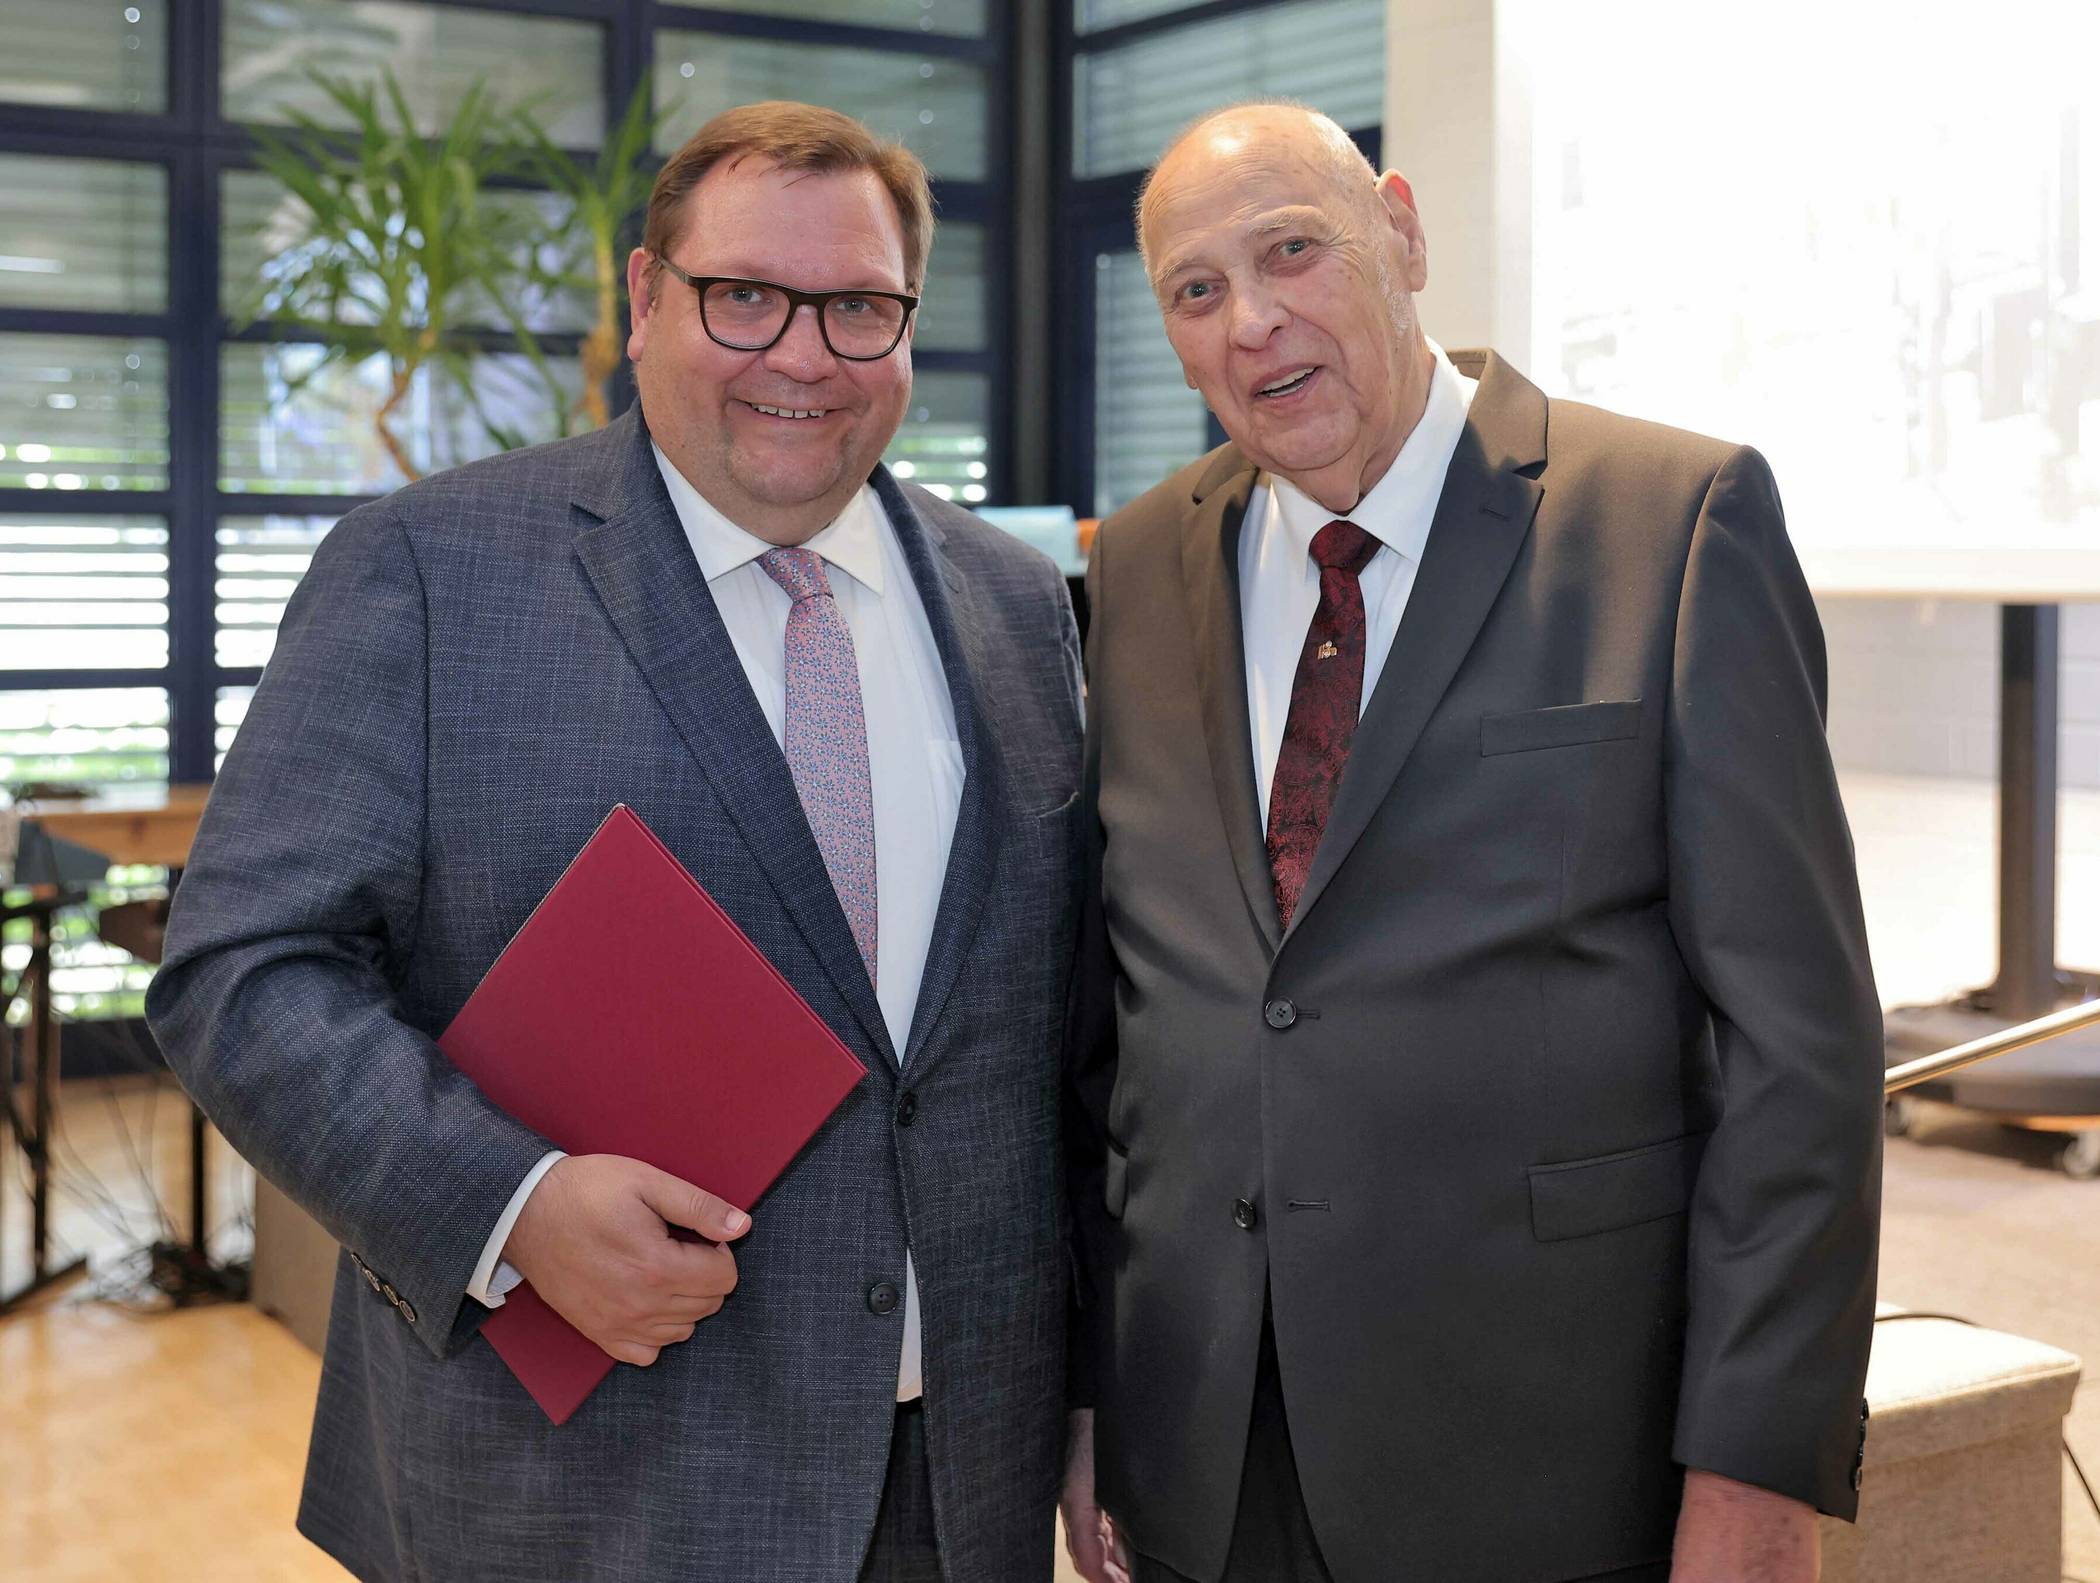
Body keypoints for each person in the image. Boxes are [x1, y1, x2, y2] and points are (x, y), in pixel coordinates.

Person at [148, 101, 1083, 1583]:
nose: (802, 355)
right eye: (744, 296)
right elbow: (241, 975)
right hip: (588, 1490)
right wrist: (507, 1206)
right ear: (645, 299)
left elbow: (1053, 1037)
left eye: (858, 307)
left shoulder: (1018, 604)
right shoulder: (430, 572)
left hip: (959, 1482)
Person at [1059, 102, 1882, 1583]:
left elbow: (1800, 1047)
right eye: (1196, 289)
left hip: (1548, 1454)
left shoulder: (1672, 523)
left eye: (1291, 251)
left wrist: (1760, 1464)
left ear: (1402, 231)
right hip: (1204, 1460)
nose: (1251, 322)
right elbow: (1109, 1030)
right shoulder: (1137, 568)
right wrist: (1086, 1393)